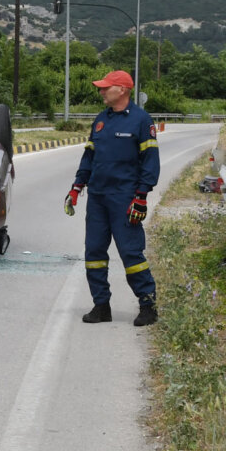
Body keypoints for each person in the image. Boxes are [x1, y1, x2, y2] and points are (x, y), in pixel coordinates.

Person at [64, 69, 160, 326]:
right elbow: (89, 157)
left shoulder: (141, 121)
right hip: (97, 197)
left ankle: (148, 305)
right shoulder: (100, 120)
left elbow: (150, 162)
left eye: (106, 87)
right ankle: (101, 305)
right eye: (101, 87)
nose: (101, 91)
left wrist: (141, 196)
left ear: (123, 90)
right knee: (94, 252)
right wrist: (77, 186)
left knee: (130, 253)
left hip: (125, 198)